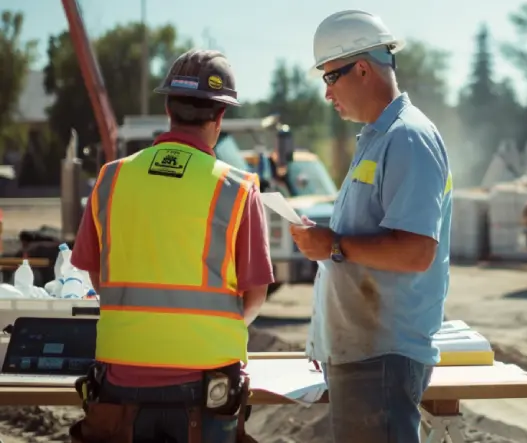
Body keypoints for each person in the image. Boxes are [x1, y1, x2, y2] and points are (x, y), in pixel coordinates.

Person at [69, 49, 274, 443]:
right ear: (220, 116)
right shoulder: (237, 189)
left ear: (168, 107)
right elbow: (255, 297)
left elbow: (98, 276)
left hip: (119, 385)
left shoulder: (111, 179)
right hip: (206, 389)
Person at [290, 9, 453, 443]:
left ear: (361, 68)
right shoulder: (380, 139)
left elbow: (417, 251)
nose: (326, 93)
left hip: (384, 354)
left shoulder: (407, 138)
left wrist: (334, 245)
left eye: (330, 77)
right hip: (367, 352)